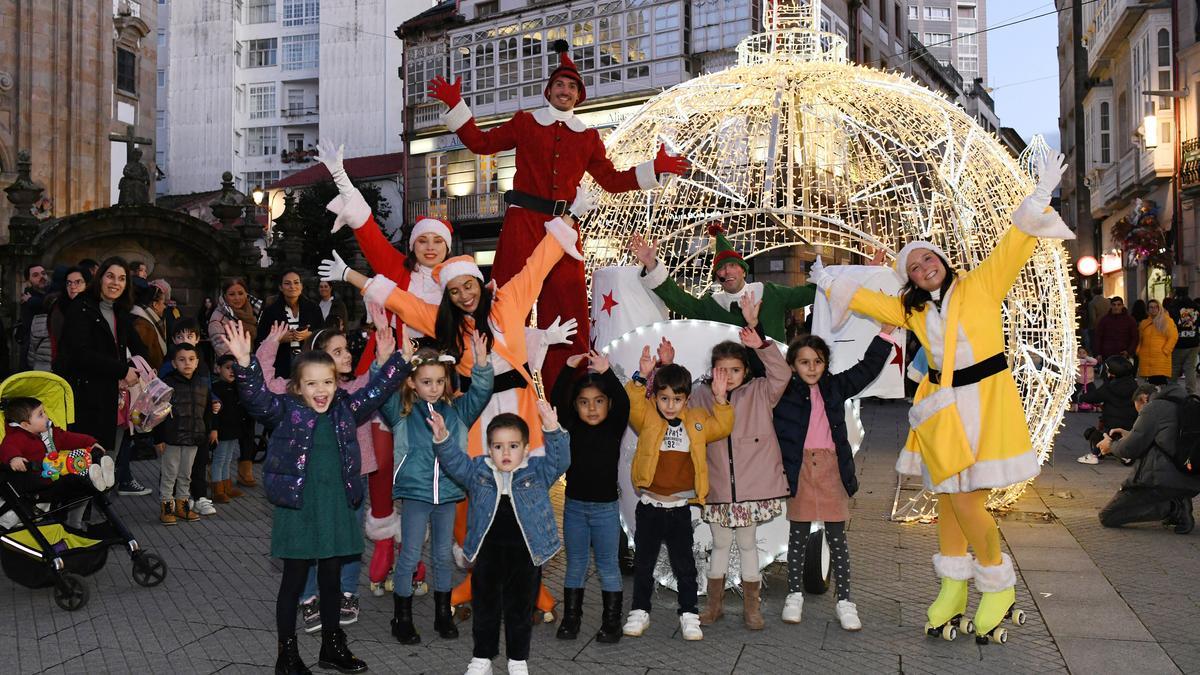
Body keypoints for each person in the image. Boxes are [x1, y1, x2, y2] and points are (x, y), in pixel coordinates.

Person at [812, 152, 1074, 643]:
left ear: (942, 260)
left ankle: (996, 584)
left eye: (928, 258)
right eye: (913, 266)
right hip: (940, 410)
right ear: (909, 277)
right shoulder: (911, 310)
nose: (923, 267)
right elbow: (871, 302)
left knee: (970, 501)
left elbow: (1013, 247)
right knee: (949, 502)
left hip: (985, 404)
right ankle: (953, 589)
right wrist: (829, 280)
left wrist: (1040, 196)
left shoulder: (979, 285)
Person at [321, 198, 594, 619]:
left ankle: (530, 585)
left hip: (521, 409)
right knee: (478, 497)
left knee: (530, 496)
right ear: (447, 294)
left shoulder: (509, 301)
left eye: (468, 286)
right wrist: (349, 275)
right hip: (476, 414)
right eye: (454, 290)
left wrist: (570, 216)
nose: (463, 295)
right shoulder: (443, 321)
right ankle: (475, 580)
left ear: (479, 283)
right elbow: (398, 301)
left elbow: (540, 261)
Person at [425, 40, 691, 388]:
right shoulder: (525, 123)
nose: (565, 91)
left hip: (564, 229)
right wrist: (457, 105)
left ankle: (570, 391)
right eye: (559, 85)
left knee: (568, 309)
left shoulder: (589, 137)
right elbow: (481, 144)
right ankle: (498, 380)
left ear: (579, 96)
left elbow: (610, 180)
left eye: (572, 87)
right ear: (548, 91)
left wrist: (653, 169)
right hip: (522, 223)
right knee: (505, 301)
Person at [225, 319, 408, 675]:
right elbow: (258, 399)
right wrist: (246, 365)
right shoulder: (286, 410)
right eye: (312, 384)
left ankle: (332, 646)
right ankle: (287, 655)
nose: (321, 391)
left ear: (336, 383)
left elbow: (377, 392)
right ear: (297, 387)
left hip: (336, 505)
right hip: (300, 508)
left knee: (331, 578)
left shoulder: (344, 409)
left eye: (327, 382)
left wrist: (391, 362)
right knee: (293, 580)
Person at [314, 144, 454, 589]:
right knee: (380, 461)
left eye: (438, 241)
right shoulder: (395, 271)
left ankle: (426, 554)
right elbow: (369, 231)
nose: (430, 248)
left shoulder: (460, 285)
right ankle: (384, 539)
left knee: (434, 469)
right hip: (388, 383)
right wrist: (339, 173)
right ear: (414, 245)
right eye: (423, 240)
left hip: (439, 389)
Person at [255, 312, 394, 632]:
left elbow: (377, 386)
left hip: (351, 477)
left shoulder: (351, 389)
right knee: (308, 542)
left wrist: (385, 360)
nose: (346, 355)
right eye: (337, 351)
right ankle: (308, 598)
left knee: (347, 538)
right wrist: (270, 345)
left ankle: (347, 593)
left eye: (347, 350)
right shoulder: (295, 396)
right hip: (310, 481)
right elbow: (264, 384)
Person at [430, 401, 570, 675]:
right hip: (488, 554)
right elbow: (455, 464)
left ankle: (517, 659)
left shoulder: (537, 471)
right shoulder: (480, 471)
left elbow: (561, 460)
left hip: (526, 553)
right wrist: (442, 438)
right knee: (485, 607)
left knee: (520, 609)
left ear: (527, 448)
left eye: (513, 446)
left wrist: (553, 429)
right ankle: (483, 657)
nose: (505, 452)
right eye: (498, 446)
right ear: (489, 449)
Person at [677, 297, 790, 631]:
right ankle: (714, 606)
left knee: (747, 545)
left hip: (753, 488)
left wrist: (762, 343)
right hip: (717, 487)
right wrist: (659, 369)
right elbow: (674, 409)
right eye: (721, 370)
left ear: (747, 370)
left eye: (735, 369)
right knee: (720, 545)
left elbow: (782, 374)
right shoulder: (699, 395)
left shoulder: (760, 391)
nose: (728, 376)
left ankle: (751, 609)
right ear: (712, 371)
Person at [774, 329, 897, 631]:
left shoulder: (835, 387)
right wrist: (758, 335)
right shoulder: (784, 393)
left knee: (837, 538)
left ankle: (845, 601)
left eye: (817, 361)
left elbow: (865, 370)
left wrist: (883, 335)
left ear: (826, 364)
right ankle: (794, 595)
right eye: (804, 362)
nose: (812, 367)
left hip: (831, 469)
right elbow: (764, 367)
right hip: (800, 469)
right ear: (792, 366)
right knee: (798, 536)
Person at [381, 335, 493, 645]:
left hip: (448, 493)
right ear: (413, 383)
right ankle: (402, 617)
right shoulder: (401, 410)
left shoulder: (457, 410)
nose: (433, 387)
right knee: (410, 555)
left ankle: (443, 613)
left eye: (439, 381)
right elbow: (381, 390)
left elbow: (482, 392)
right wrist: (388, 359)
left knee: (443, 556)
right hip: (416, 493)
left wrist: (482, 365)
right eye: (426, 381)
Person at [622, 347, 733, 642]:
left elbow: (722, 426)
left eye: (677, 399)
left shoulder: (696, 421)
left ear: (686, 399)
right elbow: (630, 402)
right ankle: (639, 611)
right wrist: (641, 376)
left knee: (685, 566)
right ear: (655, 396)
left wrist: (721, 399)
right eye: (664, 398)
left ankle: (689, 614)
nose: (670, 405)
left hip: (680, 510)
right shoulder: (646, 416)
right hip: (649, 508)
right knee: (643, 564)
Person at [549, 349, 630, 643]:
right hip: (574, 509)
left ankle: (612, 623)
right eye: (584, 403)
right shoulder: (571, 426)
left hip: (606, 510)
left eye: (598, 402)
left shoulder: (614, 426)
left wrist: (607, 370)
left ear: (608, 405)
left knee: (608, 565)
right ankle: (571, 620)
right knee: (576, 565)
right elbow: (556, 400)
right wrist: (568, 369)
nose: (592, 409)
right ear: (576, 407)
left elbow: (623, 402)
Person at [53, 257, 149, 495]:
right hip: (87, 398)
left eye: (122, 278)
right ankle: (76, 522)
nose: (115, 283)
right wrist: (121, 370)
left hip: (114, 398)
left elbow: (137, 348)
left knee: (107, 462)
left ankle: (97, 515)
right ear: (100, 278)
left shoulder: (120, 312)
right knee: (88, 462)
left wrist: (139, 365)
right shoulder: (82, 308)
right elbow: (80, 354)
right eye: (110, 276)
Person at [629, 224, 815, 342]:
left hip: (774, 381)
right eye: (722, 269)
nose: (728, 271)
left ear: (743, 270)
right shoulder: (711, 306)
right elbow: (678, 299)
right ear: (718, 276)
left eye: (733, 265)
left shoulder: (771, 294)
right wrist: (652, 265)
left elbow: (808, 294)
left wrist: (834, 280)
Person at [1097, 383, 1199, 534]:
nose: (1140, 414)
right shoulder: (1188, 404)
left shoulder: (1154, 407)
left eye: (1139, 411)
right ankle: (1178, 500)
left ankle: (1174, 507)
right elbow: (1166, 439)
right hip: (1192, 477)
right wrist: (1129, 435)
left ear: (1144, 398)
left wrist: (1110, 446)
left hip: (1163, 480)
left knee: (1108, 516)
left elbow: (1128, 450)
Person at [208, 277, 262, 489]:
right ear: (224, 296)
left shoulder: (254, 311)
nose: (237, 298)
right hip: (228, 377)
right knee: (227, 424)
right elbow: (223, 350)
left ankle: (245, 468)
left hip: (251, 376)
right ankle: (218, 476)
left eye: (241, 293)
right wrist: (245, 362)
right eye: (232, 294)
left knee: (248, 422)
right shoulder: (218, 317)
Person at [0, 396, 114, 494]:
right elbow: (8, 448)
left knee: (78, 466)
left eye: (44, 412)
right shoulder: (16, 437)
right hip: (36, 482)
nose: (46, 416)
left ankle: (100, 475)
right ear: (25, 425)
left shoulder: (50, 433)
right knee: (72, 478)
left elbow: (69, 438)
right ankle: (93, 477)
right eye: (40, 414)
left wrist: (91, 442)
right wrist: (14, 458)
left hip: (55, 475)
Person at [153, 345, 213, 525]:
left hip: (193, 438)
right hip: (172, 438)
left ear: (197, 363)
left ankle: (183, 506)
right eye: (182, 359)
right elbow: (158, 414)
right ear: (173, 363)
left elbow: (207, 411)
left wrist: (208, 432)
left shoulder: (202, 384)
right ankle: (167, 507)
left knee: (186, 474)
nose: (187, 363)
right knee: (169, 474)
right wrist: (159, 438)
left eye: (191, 359)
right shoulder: (167, 384)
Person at [257, 270, 321, 379]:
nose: (292, 286)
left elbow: (324, 334)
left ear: (301, 286)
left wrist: (309, 335)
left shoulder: (313, 308)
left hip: (308, 361)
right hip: (281, 362)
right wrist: (279, 339)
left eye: (296, 282)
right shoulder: (270, 311)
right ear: (281, 287)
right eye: (287, 283)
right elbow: (260, 340)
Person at [1077, 356, 1138, 465]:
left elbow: (1094, 396)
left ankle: (1095, 454)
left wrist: (1081, 397)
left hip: (1112, 422)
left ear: (1112, 373)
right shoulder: (1134, 384)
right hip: (1131, 421)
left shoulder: (1110, 387)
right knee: (1122, 435)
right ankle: (1124, 454)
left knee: (1101, 435)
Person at [211, 354, 250, 504]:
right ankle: (217, 489)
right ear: (218, 369)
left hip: (233, 428)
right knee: (219, 459)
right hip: (221, 430)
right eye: (228, 368)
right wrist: (213, 429)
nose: (232, 371)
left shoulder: (236, 387)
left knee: (228, 459)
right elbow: (213, 412)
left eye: (235, 368)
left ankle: (226, 486)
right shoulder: (215, 388)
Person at [47, 267, 89, 361]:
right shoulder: (60, 307)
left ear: (87, 284)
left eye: (78, 282)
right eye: (69, 283)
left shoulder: (95, 306)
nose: (72, 286)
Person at [17, 262, 51, 371]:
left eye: (43, 273)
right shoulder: (28, 299)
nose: (42, 277)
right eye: (36, 275)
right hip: (34, 354)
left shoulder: (51, 294)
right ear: (28, 281)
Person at [1136, 299, 1177, 386]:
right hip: (1146, 358)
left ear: (1159, 308)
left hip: (1160, 358)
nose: (1153, 309)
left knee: (1159, 383)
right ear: (1147, 309)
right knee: (1149, 386)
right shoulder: (1144, 323)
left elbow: (1173, 337)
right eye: (1151, 307)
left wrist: (1166, 350)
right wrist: (1138, 351)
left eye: (1156, 307)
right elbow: (1140, 339)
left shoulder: (1167, 321)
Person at [131, 282, 169, 370]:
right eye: (163, 303)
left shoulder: (148, 321)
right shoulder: (143, 326)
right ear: (155, 305)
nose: (165, 307)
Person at [1169, 289, 1199, 394]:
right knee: (1190, 369)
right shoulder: (1195, 306)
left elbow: (1170, 324)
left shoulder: (1174, 307)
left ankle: (1171, 390)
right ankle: (1192, 393)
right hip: (1194, 341)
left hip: (1179, 342)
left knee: (1174, 367)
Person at [1093, 296, 1138, 361]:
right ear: (1111, 306)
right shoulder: (1104, 320)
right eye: (1114, 305)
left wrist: (1129, 351)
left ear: (1122, 306)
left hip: (1123, 354)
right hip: (1107, 354)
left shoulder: (1130, 320)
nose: (1116, 307)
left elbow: (1135, 337)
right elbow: (1098, 337)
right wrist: (1098, 353)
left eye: (1118, 305)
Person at [1072, 346, 1099, 412]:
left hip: (1089, 380)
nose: (1081, 354)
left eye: (1084, 352)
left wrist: (1086, 357)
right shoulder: (1076, 359)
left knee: (1093, 392)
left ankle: (1095, 405)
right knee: (1074, 392)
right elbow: (1078, 362)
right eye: (1079, 352)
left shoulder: (1089, 359)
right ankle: (1073, 404)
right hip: (1079, 380)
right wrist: (1085, 361)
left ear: (1087, 353)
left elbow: (1095, 362)